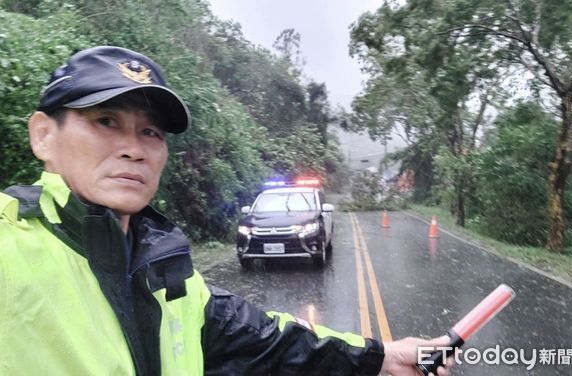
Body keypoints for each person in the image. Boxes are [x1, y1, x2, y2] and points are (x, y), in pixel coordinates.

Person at [0, 46, 453, 375]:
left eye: (151, 132)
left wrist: (381, 357)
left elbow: (270, 340)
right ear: (43, 136)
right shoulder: (10, 246)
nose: (134, 149)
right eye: (105, 122)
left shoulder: (167, 274)